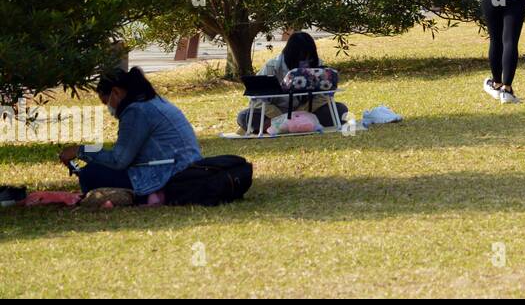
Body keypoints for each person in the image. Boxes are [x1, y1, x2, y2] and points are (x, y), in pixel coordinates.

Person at [58, 66, 202, 203]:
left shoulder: (136, 112)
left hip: (168, 173)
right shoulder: (153, 102)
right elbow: (122, 153)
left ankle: (142, 196)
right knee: (96, 169)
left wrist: (80, 150)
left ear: (116, 92)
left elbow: (118, 160)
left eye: (106, 102)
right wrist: (84, 150)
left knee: (91, 174)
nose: (109, 108)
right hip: (183, 167)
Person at [236, 31, 349, 133]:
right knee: (244, 117)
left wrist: (300, 114)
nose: (305, 63)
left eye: (309, 59)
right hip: (276, 114)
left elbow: (324, 96)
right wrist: (283, 117)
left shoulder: (319, 67)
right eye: (301, 59)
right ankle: (292, 126)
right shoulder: (272, 66)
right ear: (290, 56)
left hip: (308, 112)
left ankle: (290, 126)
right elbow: (256, 98)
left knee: (341, 110)